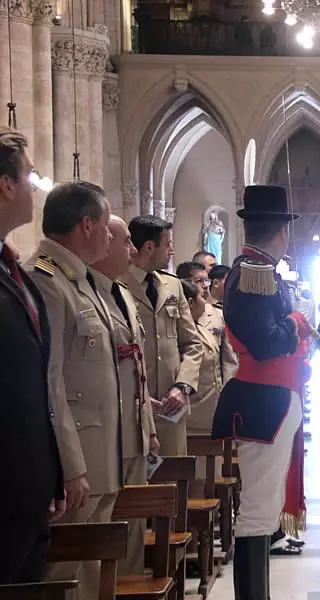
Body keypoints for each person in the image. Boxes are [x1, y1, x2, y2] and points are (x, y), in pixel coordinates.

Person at [210, 185, 316, 599]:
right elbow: (266, 342)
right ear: (281, 232)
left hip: (271, 399)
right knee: (256, 512)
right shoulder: (254, 273)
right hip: (263, 402)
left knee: (264, 509)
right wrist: (297, 320)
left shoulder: (259, 270)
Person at [25, 181, 120, 600]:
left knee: (91, 576)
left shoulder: (80, 281)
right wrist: (72, 465)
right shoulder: (47, 280)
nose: (111, 237)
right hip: (78, 461)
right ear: (86, 225)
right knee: (66, 577)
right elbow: (50, 379)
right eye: (105, 226)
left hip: (100, 456)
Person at [0, 127, 64, 584]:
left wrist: (52, 475)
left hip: (27, 493)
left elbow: (39, 383)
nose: (33, 188)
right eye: (28, 177)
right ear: (5, 185)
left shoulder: (14, 271)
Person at [89, 215, 160, 576]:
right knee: (92, 547)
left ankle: (130, 582)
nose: (132, 250)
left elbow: (138, 369)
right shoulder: (78, 289)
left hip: (131, 434)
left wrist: (148, 428)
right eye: (124, 242)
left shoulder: (122, 295)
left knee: (132, 530)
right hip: (99, 439)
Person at [123, 216, 203, 456]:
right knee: (139, 490)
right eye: (167, 244)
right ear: (149, 246)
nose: (172, 250)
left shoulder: (172, 286)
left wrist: (183, 386)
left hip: (171, 409)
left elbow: (192, 344)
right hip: (134, 410)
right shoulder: (118, 284)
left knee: (175, 485)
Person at [181, 279, 225, 497]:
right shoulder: (182, 334)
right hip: (193, 419)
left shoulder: (202, 329)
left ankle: (203, 528)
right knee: (193, 483)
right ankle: (195, 530)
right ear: (189, 303)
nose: (204, 301)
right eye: (200, 297)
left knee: (208, 480)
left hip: (210, 415)